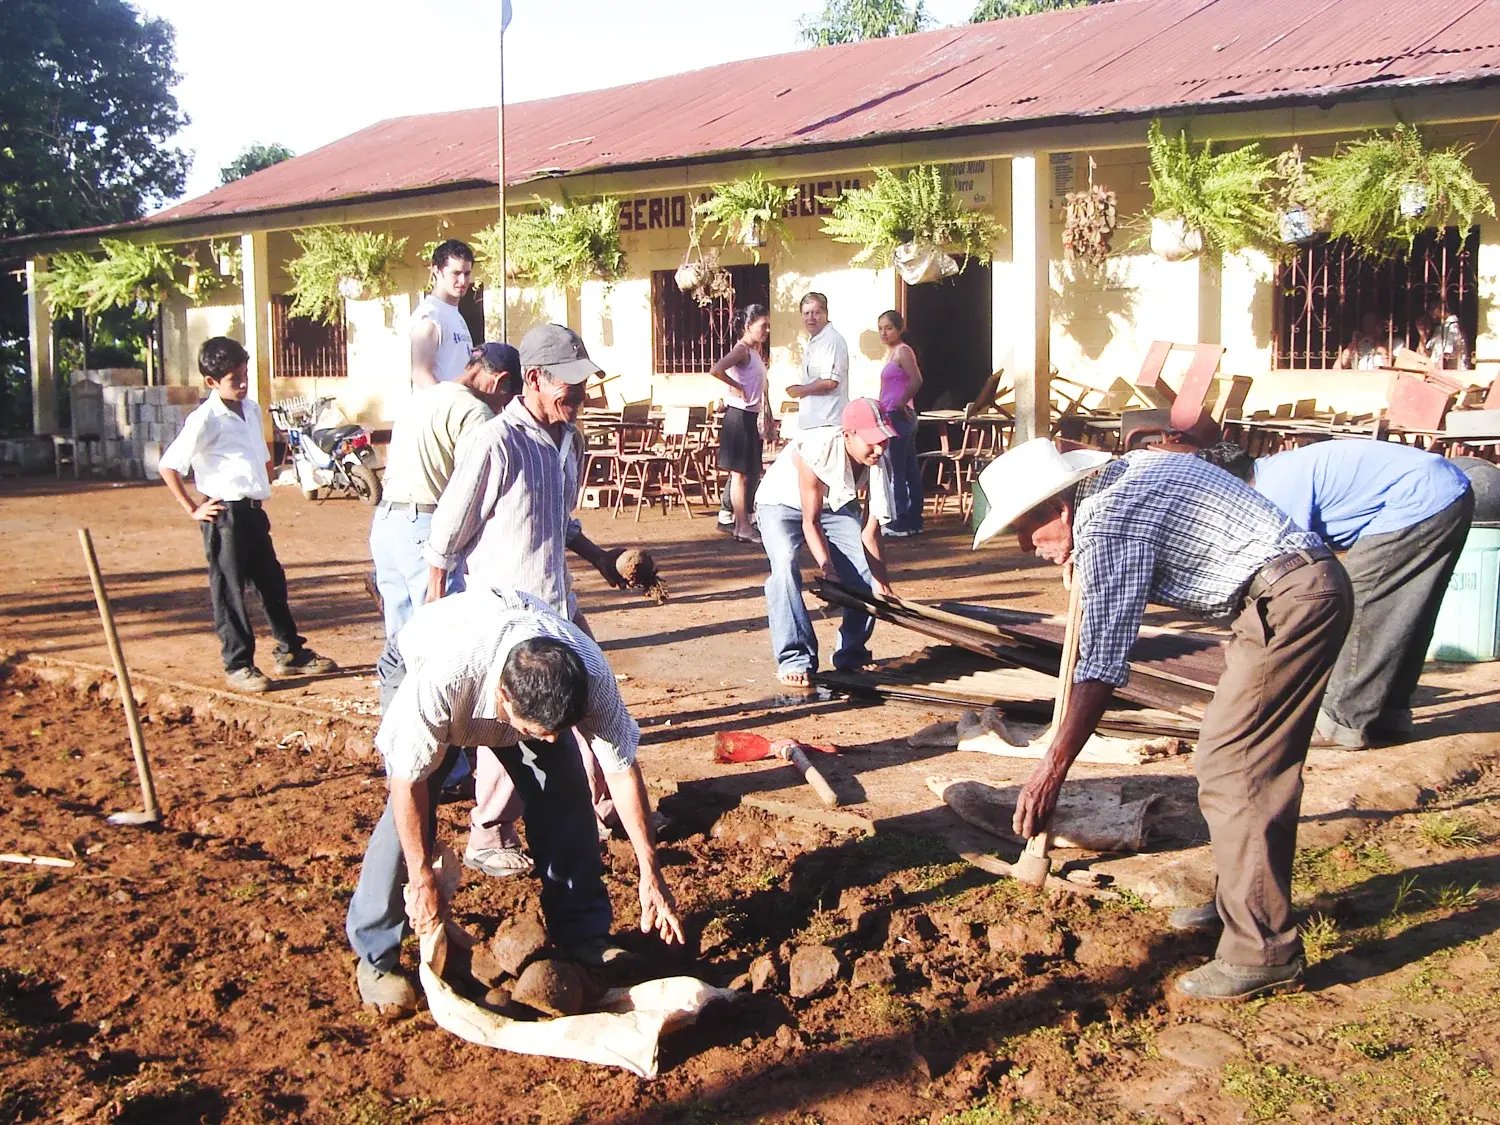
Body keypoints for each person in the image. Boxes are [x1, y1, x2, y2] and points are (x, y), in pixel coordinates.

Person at [973, 439, 1352, 1001]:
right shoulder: (1133, 471)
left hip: (1288, 603)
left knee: (1236, 771)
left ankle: (1262, 950)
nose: (1027, 547)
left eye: (1027, 530)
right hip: (1291, 594)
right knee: (1245, 765)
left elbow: (1101, 666)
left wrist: (1050, 769)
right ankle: (1241, 907)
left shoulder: (1108, 526)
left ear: (1059, 508)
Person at [345, 586, 684, 1014]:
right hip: (424, 663)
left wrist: (649, 870)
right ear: (505, 699)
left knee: (567, 795)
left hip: (510, 677)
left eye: (560, 728)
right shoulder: (441, 681)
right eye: (541, 730)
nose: (552, 738)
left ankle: (584, 933)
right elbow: (406, 783)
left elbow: (620, 768)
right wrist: (422, 878)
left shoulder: (589, 673)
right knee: (405, 825)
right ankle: (377, 956)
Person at [423, 323, 628, 878]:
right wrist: (436, 617)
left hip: (557, 603)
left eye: (585, 384)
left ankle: (603, 806)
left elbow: (560, 522)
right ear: (534, 379)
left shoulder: (570, 440)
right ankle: (489, 833)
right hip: (506, 615)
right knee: (511, 723)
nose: (581, 397)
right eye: (570, 385)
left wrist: (602, 559)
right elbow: (445, 539)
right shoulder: (495, 441)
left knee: (593, 700)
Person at [1197, 440, 1474, 750]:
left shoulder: (1271, 493)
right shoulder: (1276, 469)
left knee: (1360, 605)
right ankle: (1389, 716)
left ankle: (1341, 721)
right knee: (1405, 608)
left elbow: (1293, 578)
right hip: (1448, 491)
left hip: (1416, 500)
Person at [159, 337, 337, 693]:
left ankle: (290, 652)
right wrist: (193, 508)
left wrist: (266, 475)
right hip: (224, 516)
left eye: (244, 376)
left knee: (272, 583)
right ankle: (238, 663)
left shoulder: (252, 409)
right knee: (230, 591)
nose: (241, 384)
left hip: (254, 512)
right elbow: (169, 465)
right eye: (233, 379)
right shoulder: (205, 419)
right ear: (211, 382)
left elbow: (259, 453)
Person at [370, 342, 521, 700]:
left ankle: (399, 733)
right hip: (425, 529)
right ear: (499, 381)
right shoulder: (476, 413)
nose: (503, 407)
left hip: (387, 523)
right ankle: (441, 741)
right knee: (440, 645)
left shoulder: (424, 396)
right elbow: (474, 486)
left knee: (402, 640)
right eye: (506, 398)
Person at [757, 398, 896, 689]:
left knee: (863, 574)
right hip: (779, 505)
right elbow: (811, 522)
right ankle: (795, 658)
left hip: (835, 505)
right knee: (784, 567)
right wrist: (829, 571)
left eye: (883, 440)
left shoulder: (880, 463)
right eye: (871, 441)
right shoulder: (816, 450)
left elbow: (870, 532)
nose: (879, 448)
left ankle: (852, 653)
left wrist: (881, 583)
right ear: (848, 434)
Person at [709, 303, 771, 543]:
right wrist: (736, 387)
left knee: (748, 473)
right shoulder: (741, 350)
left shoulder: (754, 352)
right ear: (748, 326)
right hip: (738, 417)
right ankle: (742, 526)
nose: (766, 330)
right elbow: (716, 369)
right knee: (739, 475)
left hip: (750, 417)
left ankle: (741, 524)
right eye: (762, 326)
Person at [876, 309, 925, 537]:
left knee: (899, 470)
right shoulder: (891, 353)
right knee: (907, 468)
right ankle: (914, 519)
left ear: (899, 329)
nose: (884, 333)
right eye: (881, 328)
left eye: (889, 328)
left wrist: (901, 403)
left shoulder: (903, 351)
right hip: (891, 414)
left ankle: (902, 520)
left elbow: (916, 380)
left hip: (899, 416)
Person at [410, 239, 476, 387]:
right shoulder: (430, 316)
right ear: (436, 271)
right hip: (441, 409)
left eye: (467, 274)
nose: (463, 280)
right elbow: (420, 374)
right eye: (456, 273)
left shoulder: (454, 314)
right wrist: (450, 407)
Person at [785, 292, 848, 432]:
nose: (810, 318)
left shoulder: (831, 340)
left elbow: (830, 381)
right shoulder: (814, 341)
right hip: (813, 421)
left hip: (827, 422)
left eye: (816, 313)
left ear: (825, 313)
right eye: (806, 314)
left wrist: (801, 390)